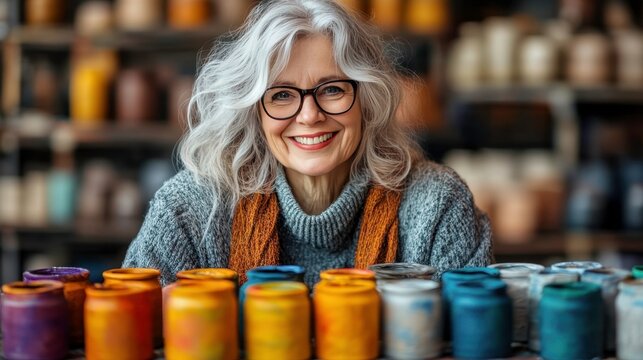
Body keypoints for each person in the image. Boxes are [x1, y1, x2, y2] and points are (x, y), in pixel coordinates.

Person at [123, 0, 493, 287]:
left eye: (332, 89)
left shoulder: (436, 204)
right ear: (255, 111)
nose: (309, 115)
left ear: (368, 100)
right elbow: (129, 330)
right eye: (282, 95)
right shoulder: (192, 208)